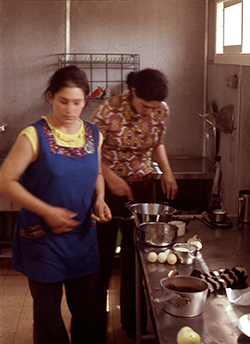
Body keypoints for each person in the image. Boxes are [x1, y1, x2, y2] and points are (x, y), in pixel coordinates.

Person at [0, 65, 112, 344]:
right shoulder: (33, 135)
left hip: (82, 240)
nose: (70, 109)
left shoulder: (94, 134)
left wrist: (99, 198)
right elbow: (6, 181)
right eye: (63, 101)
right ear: (50, 97)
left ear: (86, 100)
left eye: (77, 102)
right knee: (48, 318)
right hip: (42, 242)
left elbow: (97, 173)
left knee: (89, 313)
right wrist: (47, 211)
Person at [90, 68, 178, 338]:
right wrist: (112, 178)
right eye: (145, 106)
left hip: (142, 189)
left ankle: (133, 323)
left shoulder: (160, 110)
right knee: (102, 257)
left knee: (137, 259)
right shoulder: (107, 111)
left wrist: (167, 172)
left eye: (155, 107)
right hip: (106, 188)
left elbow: (158, 143)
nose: (150, 112)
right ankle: (93, 326)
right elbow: (90, 151)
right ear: (133, 93)